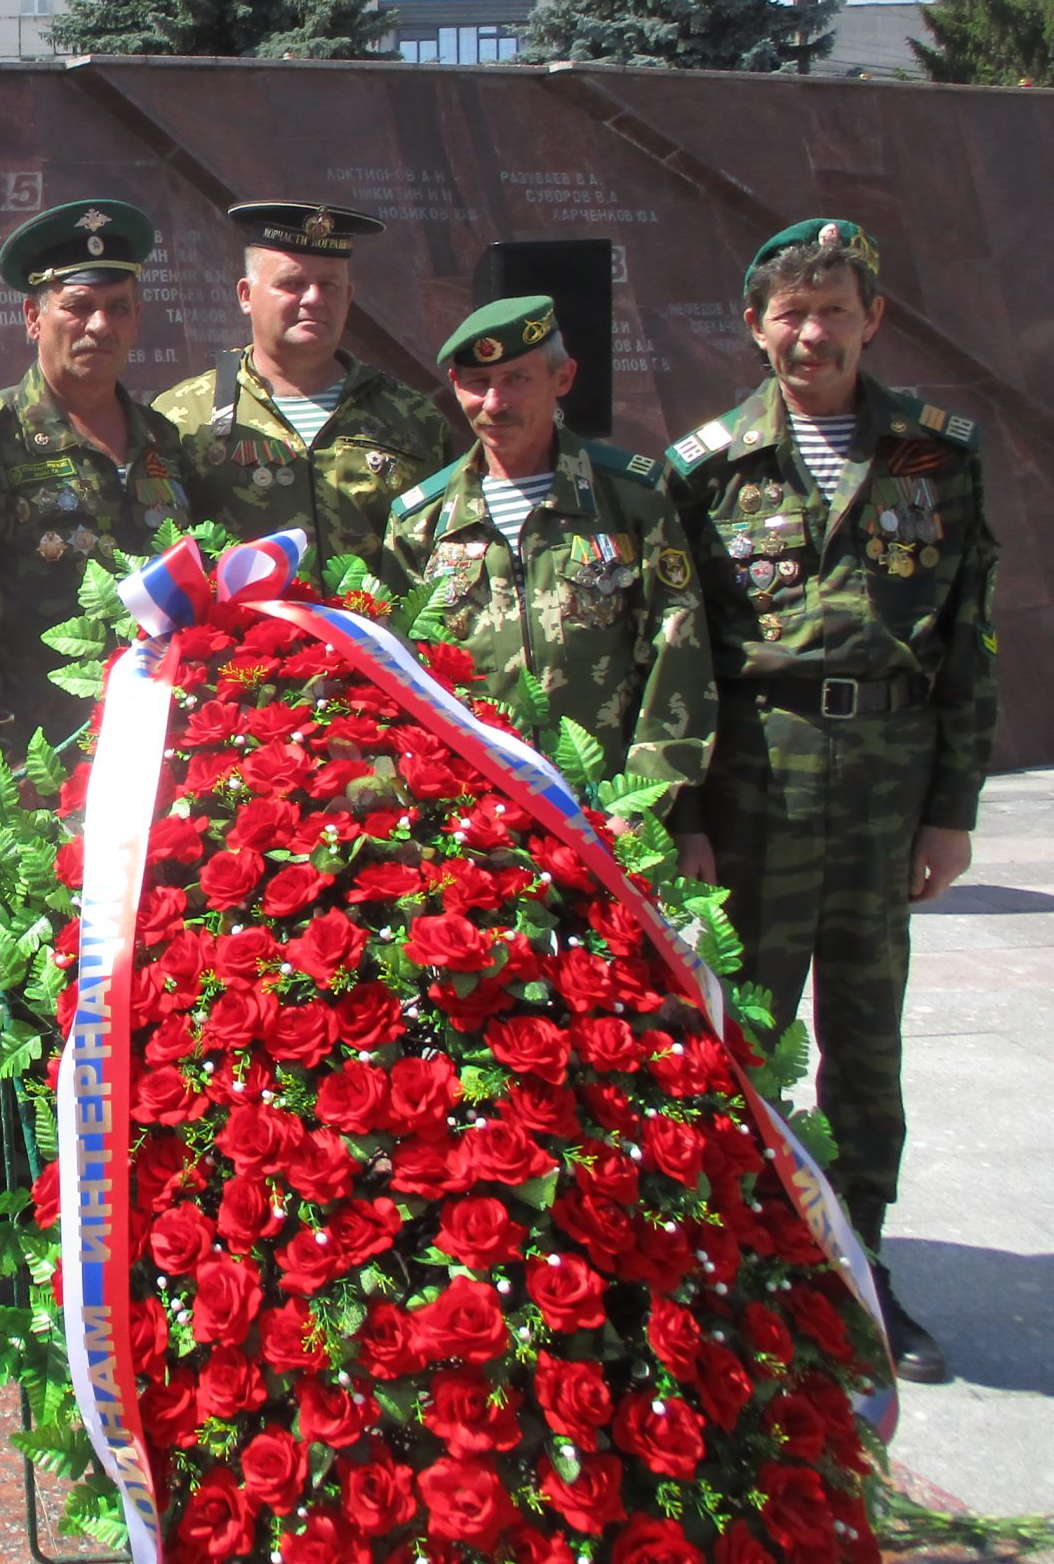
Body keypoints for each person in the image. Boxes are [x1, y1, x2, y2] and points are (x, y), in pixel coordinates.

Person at [665, 218, 998, 1385]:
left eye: (834, 309)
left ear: (874, 319)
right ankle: (749, 1262)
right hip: (759, 769)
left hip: (885, 776)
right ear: (754, 327)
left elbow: (967, 644)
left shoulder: (937, 459)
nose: (812, 332)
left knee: (865, 1030)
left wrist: (951, 808)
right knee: (742, 1029)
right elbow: (687, 653)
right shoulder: (703, 468)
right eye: (790, 312)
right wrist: (689, 816)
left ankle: (863, 1264)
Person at [0, 199, 198, 1189]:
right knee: (33, 1015)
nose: (98, 327)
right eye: (77, 306)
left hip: (152, 790)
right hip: (35, 793)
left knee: (136, 1015)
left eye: (117, 306)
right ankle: (38, 1242)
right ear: (33, 316)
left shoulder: (163, 447)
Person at [378, 295, 715, 795]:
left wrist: (656, 805)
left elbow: (677, 655)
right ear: (456, 387)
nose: (494, 403)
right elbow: (398, 678)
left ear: (563, 378)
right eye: (478, 383)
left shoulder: (631, 500)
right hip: (472, 819)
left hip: (612, 814)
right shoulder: (419, 523)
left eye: (517, 379)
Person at [154, 201, 456, 575]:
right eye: (292, 284)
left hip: (378, 631)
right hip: (239, 633)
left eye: (329, 285)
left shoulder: (413, 419)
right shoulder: (181, 416)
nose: (314, 298)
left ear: (348, 297)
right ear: (246, 295)